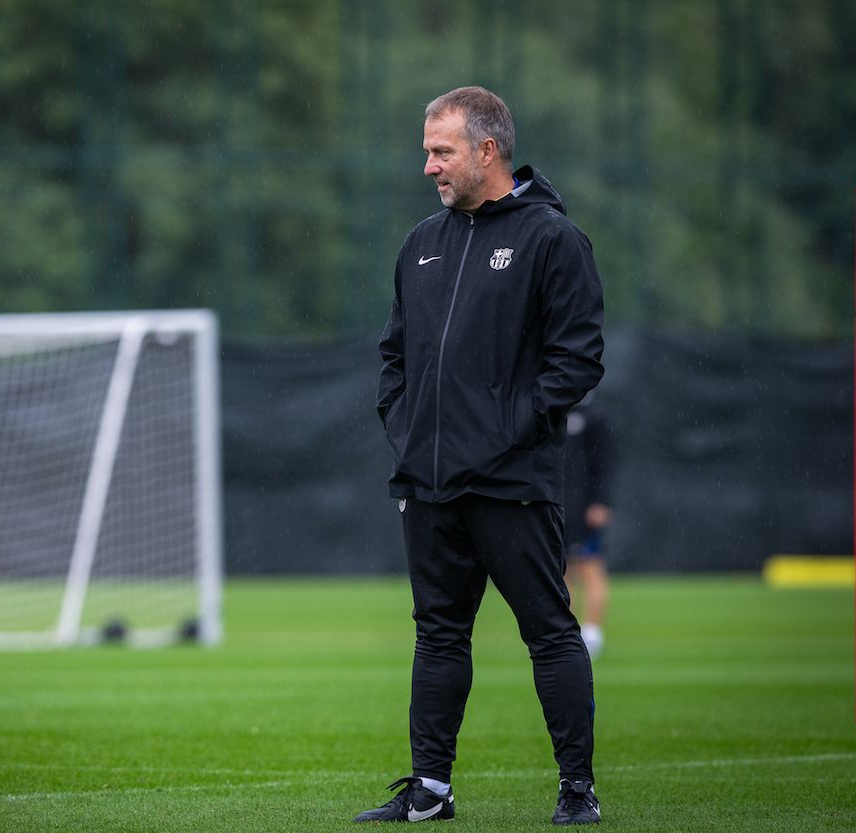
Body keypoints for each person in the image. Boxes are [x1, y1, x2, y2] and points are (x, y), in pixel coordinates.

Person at [357, 86, 604, 826]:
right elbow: (393, 356)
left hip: (510, 481)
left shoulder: (553, 239)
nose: (428, 164)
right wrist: (404, 430)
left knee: (549, 631)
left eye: (442, 150)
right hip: (428, 482)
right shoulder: (421, 242)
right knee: (437, 635)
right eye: (427, 150)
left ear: (487, 151)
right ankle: (430, 789)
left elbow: (579, 359)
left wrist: (506, 428)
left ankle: (577, 790)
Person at [563, 392, 613, 659]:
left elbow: (605, 464)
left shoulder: (595, 415)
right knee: (561, 571)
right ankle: (567, 634)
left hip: (585, 508)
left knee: (590, 566)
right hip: (558, 506)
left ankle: (593, 634)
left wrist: (600, 502)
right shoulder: (554, 406)